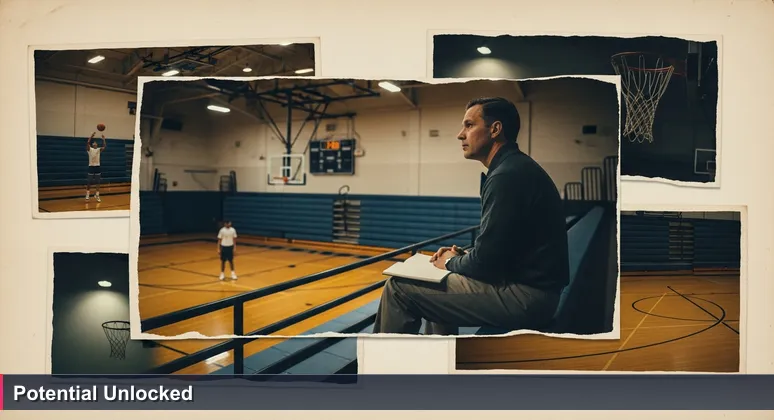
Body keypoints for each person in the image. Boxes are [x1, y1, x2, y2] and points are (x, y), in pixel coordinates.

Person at [372, 97, 570, 335]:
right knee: (439, 279)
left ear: (495, 129)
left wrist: (449, 262)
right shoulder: (514, 168)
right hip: (532, 289)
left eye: (469, 125)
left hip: (528, 298)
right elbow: (502, 250)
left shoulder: (507, 176)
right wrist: (461, 257)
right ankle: (442, 365)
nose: (460, 134)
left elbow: (487, 264)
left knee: (398, 288)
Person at [85, 132, 106, 202]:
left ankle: (97, 195)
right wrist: (91, 136)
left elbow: (104, 147)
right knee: (89, 181)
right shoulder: (89, 149)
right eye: (93, 143)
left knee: (98, 182)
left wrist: (103, 139)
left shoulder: (98, 150)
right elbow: (87, 143)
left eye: (95, 143)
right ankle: (87, 194)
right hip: (91, 167)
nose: (94, 143)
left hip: (97, 167)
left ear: (97, 145)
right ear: (92, 144)